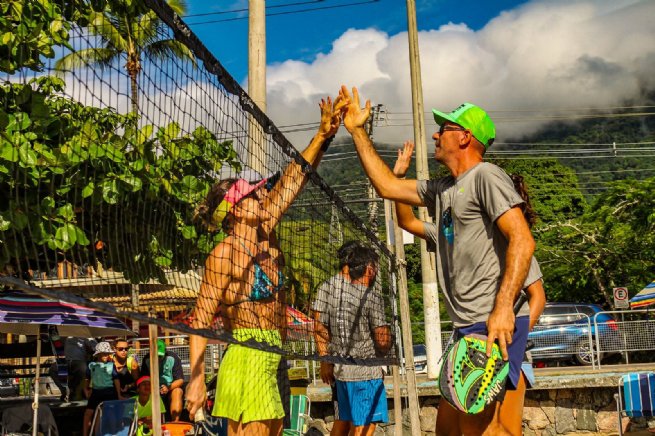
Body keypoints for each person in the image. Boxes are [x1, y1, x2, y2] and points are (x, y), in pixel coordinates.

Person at [340, 85, 536, 436]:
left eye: (443, 128)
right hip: (467, 327)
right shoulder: (443, 188)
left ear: (465, 137)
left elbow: (523, 239)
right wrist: (356, 130)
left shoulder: (486, 176)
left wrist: (504, 307)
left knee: (480, 428)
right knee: (448, 429)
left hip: (491, 323)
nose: (435, 133)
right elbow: (387, 186)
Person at [185, 95, 345, 435]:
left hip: (273, 356)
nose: (262, 195)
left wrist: (323, 135)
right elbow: (199, 320)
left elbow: (292, 180)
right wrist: (195, 382)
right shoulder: (224, 254)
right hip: (246, 356)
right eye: (253, 194)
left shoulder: (263, 232)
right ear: (234, 210)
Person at [312, 241, 391, 436]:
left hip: (341, 370)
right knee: (362, 425)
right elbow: (382, 339)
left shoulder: (327, 287)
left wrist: (326, 361)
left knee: (344, 420)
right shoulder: (366, 293)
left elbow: (319, 327)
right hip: (363, 372)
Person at [82, 341, 120, 436]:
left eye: (108, 353)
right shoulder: (91, 365)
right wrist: (86, 389)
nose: (106, 355)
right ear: (98, 354)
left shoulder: (111, 365)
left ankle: (112, 433)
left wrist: (119, 394)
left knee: (106, 414)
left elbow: (116, 379)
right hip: (95, 392)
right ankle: (85, 434)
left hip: (109, 392)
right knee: (88, 413)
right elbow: (87, 378)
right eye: (104, 353)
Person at [140, 339, 184, 422]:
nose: (157, 359)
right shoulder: (146, 359)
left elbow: (180, 380)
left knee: (178, 391)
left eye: (160, 356)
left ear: (165, 352)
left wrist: (168, 387)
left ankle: (175, 423)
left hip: (170, 387)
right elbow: (143, 379)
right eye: (155, 356)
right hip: (152, 388)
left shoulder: (173, 358)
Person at [65, 336, 96, 401]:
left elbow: (95, 348)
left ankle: (78, 394)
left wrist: (89, 346)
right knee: (53, 370)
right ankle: (66, 392)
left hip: (79, 360)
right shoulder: (67, 334)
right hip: (67, 360)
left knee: (83, 370)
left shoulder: (87, 336)